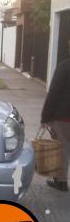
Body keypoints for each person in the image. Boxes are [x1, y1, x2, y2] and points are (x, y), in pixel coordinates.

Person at [41, 58, 70, 192]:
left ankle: (61, 181)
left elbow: (54, 93)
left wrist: (45, 117)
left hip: (64, 117)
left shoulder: (65, 67)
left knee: (62, 148)